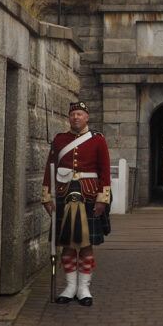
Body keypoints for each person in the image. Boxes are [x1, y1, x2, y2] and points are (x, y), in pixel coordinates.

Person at [41, 101, 111, 306]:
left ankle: (84, 288)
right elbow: (49, 168)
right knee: (67, 245)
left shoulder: (98, 140)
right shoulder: (59, 140)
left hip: (88, 196)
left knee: (86, 244)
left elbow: (104, 170)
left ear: (87, 117)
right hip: (63, 195)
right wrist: (46, 196)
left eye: (80, 114)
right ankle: (70, 286)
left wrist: (102, 199)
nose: (76, 118)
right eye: (73, 114)